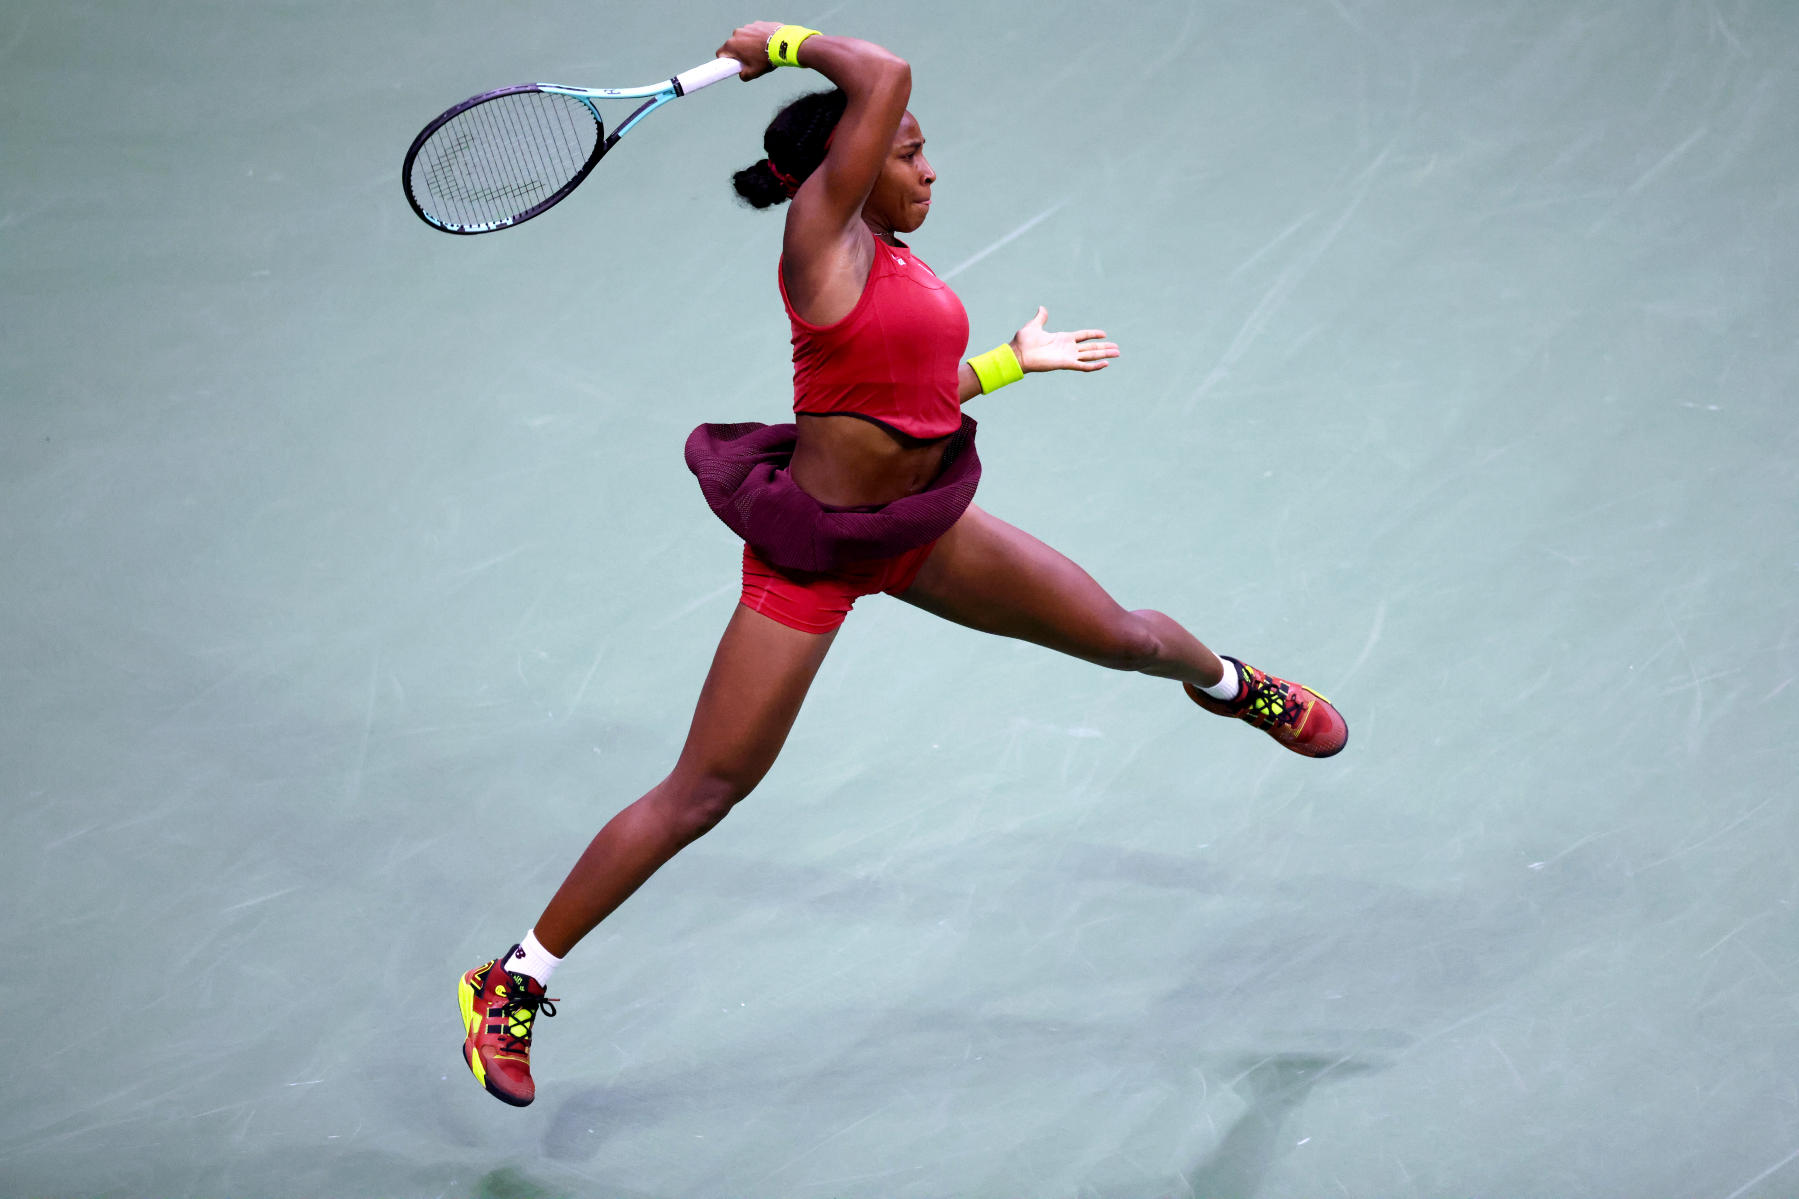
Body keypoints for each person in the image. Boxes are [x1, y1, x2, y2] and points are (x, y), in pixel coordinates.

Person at [457, 22, 1348, 1108]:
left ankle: (1233, 684)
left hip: (918, 532)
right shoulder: (818, 241)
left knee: (1125, 634)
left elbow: (902, 401)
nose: (929, 166)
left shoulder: (891, 259)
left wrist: (1015, 363)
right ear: (848, 167)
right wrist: (775, 42)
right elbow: (880, 72)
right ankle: (510, 979)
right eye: (908, 150)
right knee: (706, 790)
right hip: (813, 560)